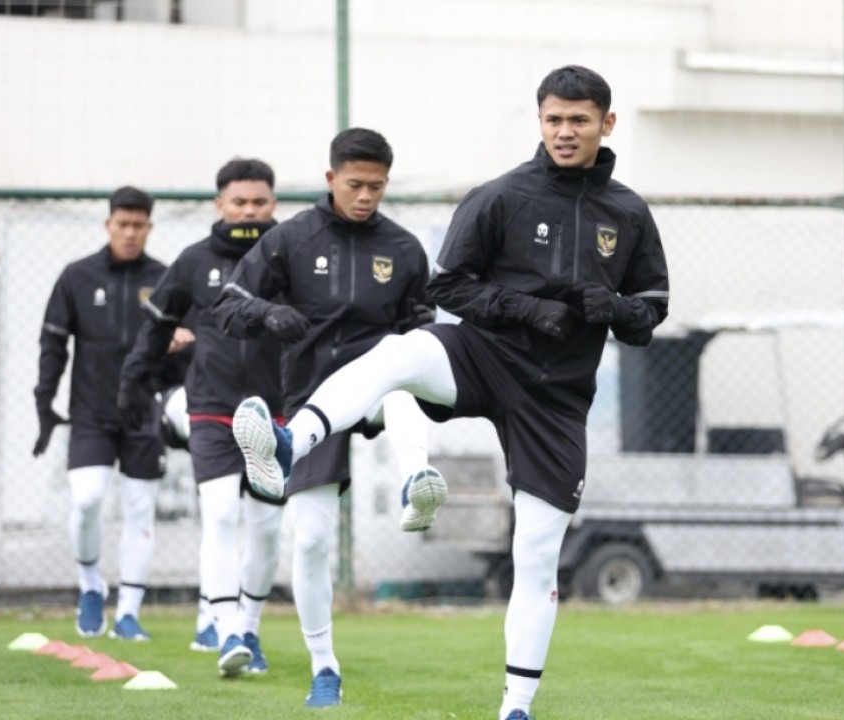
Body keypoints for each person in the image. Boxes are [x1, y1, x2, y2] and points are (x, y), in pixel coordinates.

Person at [230, 66, 669, 720]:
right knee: (399, 352)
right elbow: (449, 288)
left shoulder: (629, 214)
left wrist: (618, 309)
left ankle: (515, 708)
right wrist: (523, 309)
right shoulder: (501, 197)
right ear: (540, 120)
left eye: (579, 120)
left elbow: (652, 311)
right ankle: (293, 443)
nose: (565, 131)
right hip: (485, 355)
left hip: (557, 399)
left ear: (607, 123)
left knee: (538, 553)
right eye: (553, 119)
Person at [212, 128, 440, 707]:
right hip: (312, 399)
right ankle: (325, 668)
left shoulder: (406, 249)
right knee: (311, 540)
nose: (366, 196)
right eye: (356, 184)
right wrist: (268, 313)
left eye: (378, 186)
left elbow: (423, 327)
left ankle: (419, 479)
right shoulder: (290, 239)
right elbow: (227, 305)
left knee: (400, 374)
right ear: (330, 178)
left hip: (383, 385)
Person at [119, 158, 287, 676]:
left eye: (259, 202)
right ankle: (227, 631)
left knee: (263, 530)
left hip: (276, 412)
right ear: (220, 205)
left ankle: (250, 627)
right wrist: (134, 381)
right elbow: (156, 326)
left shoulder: (292, 255)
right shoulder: (194, 262)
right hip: (210, 408)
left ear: (273, 204)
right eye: (239, 202)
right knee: (218, 516)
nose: (250, 211)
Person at [34, 186, 179, 641]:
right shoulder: (76, 277)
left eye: (139, 225)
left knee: (140, 511)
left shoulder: (165, 278)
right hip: (91, 415)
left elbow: (182, 350)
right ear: (108, 224)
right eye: (123, 224)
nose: (131, 233)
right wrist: (44, 403)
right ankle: (90, 584)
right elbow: (53, 345)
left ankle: (130, 613)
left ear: (149, 228)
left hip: (142, 415)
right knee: (87, 500)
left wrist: (174, 400)